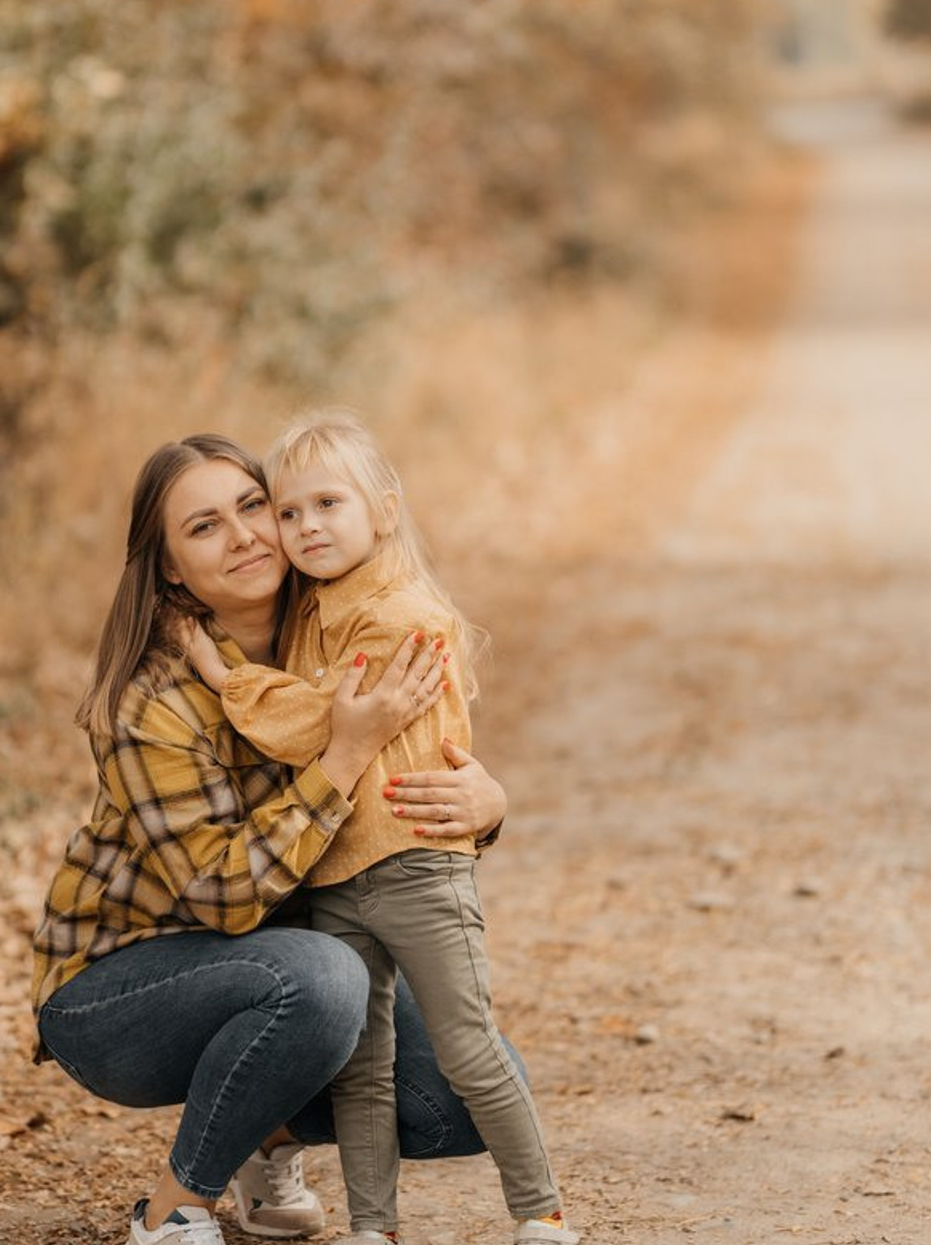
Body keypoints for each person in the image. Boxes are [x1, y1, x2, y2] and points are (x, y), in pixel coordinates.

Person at [32, 433, 522, 1245]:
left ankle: (266, 1133)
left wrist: (487, 802)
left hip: (278, 962)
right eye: (204, 527)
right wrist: (345, 752)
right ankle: (174, 1208)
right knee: (328, 978)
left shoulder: (336, 630)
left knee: (471, 1094)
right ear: (170, 571)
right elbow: (223, 897)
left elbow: (415, 774)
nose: (247, 536)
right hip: (117, 990)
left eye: (254, 507)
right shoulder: (152, 700)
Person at [183, 412, 577, 1245]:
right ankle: (374, 1228)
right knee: (362, 1072)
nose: (305, 527)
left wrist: (226, 676)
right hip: (336, 878)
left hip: (415, 866)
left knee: (468, 1050)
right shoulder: (312, 612)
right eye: (289, 513)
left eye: (328, 503)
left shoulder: (404, 613)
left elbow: (320, 724)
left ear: (384, 512)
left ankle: (541, 1213)